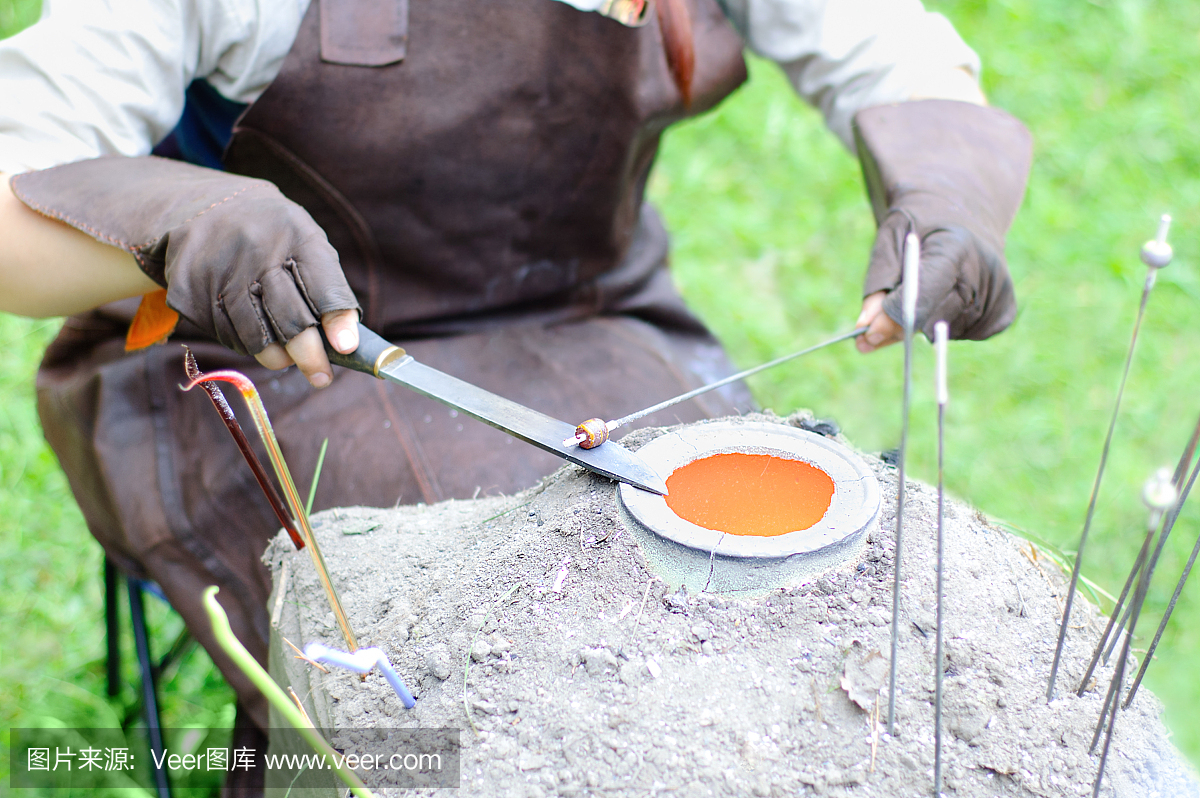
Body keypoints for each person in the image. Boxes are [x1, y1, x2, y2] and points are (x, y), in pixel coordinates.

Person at [0, 0, 1031, 789]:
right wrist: (188, 215)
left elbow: (894, 51)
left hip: (589, 323)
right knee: (464, 712)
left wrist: (948, 192)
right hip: (253, 360)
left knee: (771, 598)